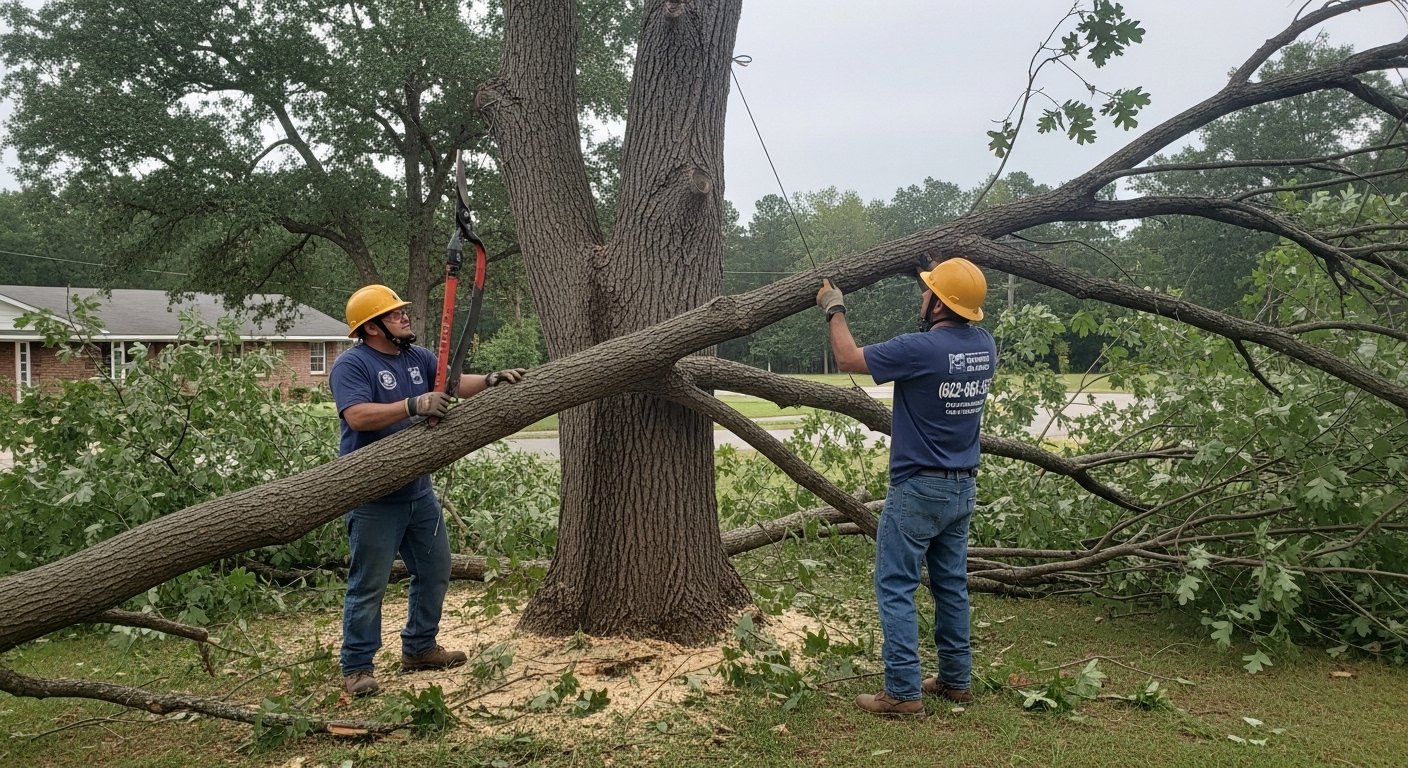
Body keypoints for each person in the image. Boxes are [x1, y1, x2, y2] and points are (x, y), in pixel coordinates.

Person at [816, 257, 996, 716]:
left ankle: (901, 692)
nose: (921, 295)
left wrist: (834, 307)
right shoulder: (984, 345)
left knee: (895, 585)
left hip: (918, 488)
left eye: (928, 290)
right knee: (951, 584)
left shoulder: (921, 350)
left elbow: (848, 359)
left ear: (939, 304)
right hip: (962, 488)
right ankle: (956, 681)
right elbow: (954, 321)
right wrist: (948, 277)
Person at [330, 284, 528, 697]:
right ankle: (357, 667)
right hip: (373, 496)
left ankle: (419, 648)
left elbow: (452, 383)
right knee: (369, 584)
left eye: (403, 310)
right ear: (371, 327)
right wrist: (411, 405)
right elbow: (358, 415)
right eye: (395, 314)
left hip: (418, 492)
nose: (405, 316)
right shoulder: (353, 365)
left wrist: (491, 380)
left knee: (435, 570)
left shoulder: (417, 357)